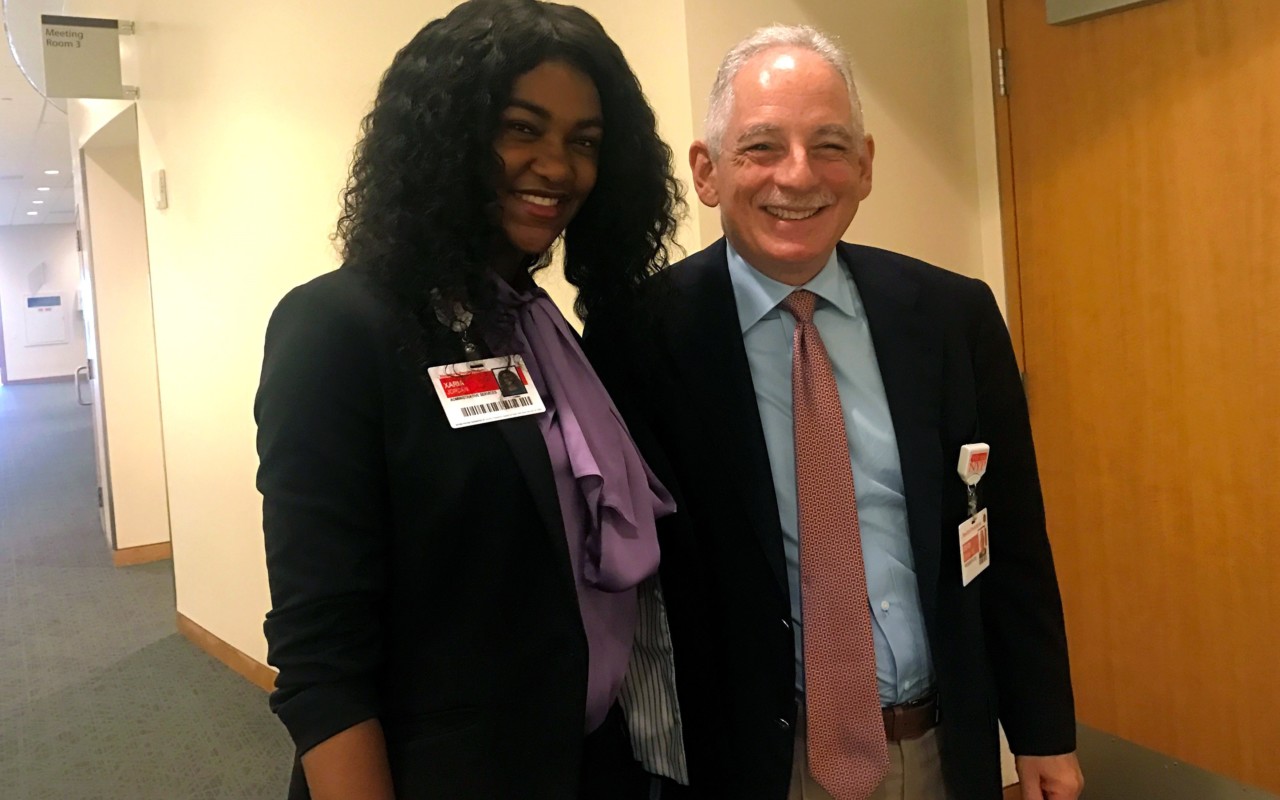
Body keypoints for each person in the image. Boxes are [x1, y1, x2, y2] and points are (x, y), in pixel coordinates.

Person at [584, 25, 1084, 800]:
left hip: (941, 750)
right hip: (761, 763)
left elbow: (1011, 537)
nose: (798, 175)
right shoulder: (639, 339)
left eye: (829, 145)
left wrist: (1044, 731)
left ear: (866, 165)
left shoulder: (952, 315)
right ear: (706, 171)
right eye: (760, 147)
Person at [254, 1, 688, 798]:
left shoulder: (541, 327)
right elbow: (322, 650)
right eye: (521, 128)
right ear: (446, 136)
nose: (557, 168)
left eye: (583, 143)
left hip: (587, 764)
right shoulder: (341, 328)